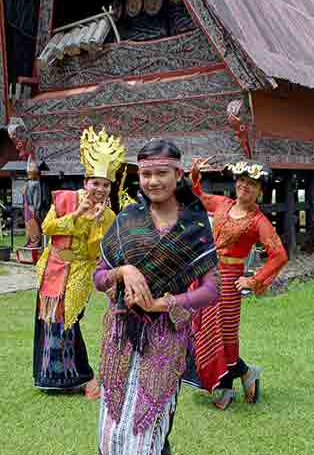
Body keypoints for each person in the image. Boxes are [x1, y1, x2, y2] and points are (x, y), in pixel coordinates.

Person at [94, 139, 220, 455]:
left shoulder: (194, 222)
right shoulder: (128, 218)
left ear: (178, 173)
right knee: (112, 431)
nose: (152, 181)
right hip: (121, 335)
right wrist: (124, 271)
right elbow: (99, 277)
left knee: (149, 432)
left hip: (165, 338)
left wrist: (164, 304)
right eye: (146, 174)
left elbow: (211, 289)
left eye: (161, 173)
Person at [33, 126, 125, 398]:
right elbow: (48, 228)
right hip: (52, 266)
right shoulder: (66, 199)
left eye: (105, 184)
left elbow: (100, 252)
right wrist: (76, 215)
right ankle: (50, 376)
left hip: (82, 270)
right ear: (86, 181)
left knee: (68, 319)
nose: (100, 188)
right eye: (95, 182)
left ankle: (82, 375)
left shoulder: (108, 216)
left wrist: (96, 224)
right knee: (48, 320)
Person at [189, 160, 288, 409]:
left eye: (252, 184)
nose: (245, 186)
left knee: (224, 335)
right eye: (242, 181)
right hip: (206, 274)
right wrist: (195, 175)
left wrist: (253, 280)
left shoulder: (259, 221)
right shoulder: (223, 203)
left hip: (230, 280)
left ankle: (228, 385)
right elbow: (197, 196)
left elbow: (279, 255)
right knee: (204, 330)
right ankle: (242, 375)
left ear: (259, 191)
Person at [23, 157, 42, 248]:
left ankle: (33, 241)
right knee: (30, 225)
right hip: (30, 207)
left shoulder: (30, 183)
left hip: (29, 207)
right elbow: (36, 198)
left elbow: (36, 198)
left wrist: (35, 208)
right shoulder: (34, 183)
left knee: (31, 224)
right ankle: (31, 241)